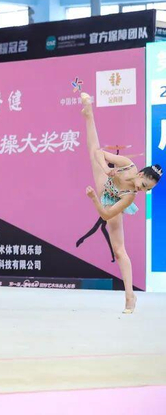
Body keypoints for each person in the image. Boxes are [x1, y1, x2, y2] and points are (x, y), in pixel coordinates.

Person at [81, 92, 162, 313]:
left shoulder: (130, 196)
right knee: (92, 151)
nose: (142, 190)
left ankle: (129, 296)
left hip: (111, 200)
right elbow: (99, 153)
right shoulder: (127, 165)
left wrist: (94, 199)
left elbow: (106, 215)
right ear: (140, 174)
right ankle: (88, 112)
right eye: (144, 185)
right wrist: (106, 168)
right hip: (106, 180)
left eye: (147, 190)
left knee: (119, 251)